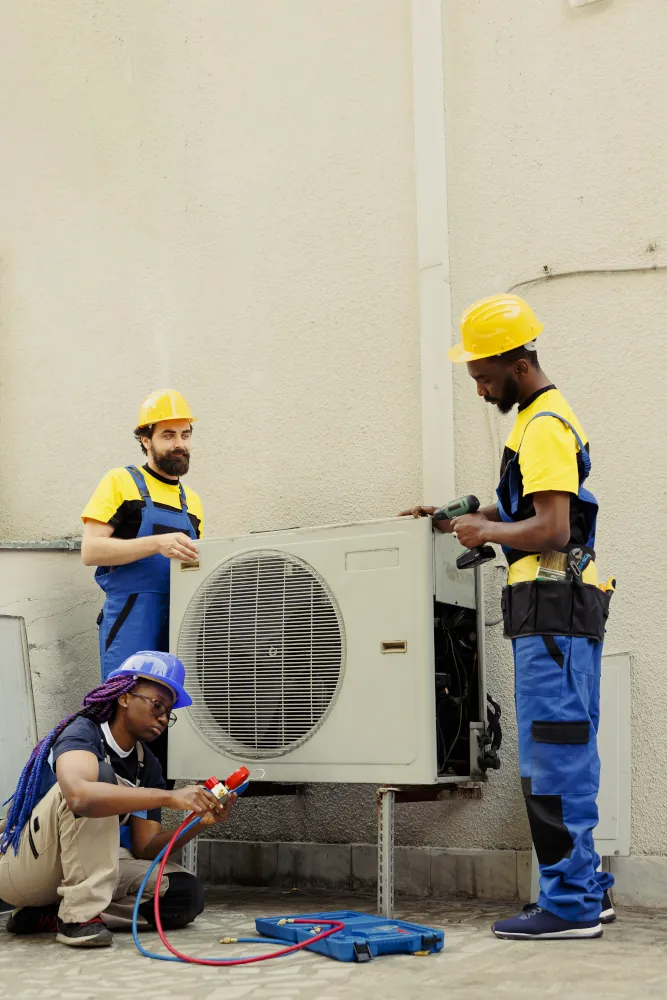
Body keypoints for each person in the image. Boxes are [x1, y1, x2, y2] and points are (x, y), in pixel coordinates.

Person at [402, 294, 615, 940]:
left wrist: (484, 531)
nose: (476, 388)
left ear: (516, 362)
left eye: (481, 374)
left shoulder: (544, 423)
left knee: (554, 759)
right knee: (562, 750)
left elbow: (551, 528)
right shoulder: (532, 419)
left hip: (553, 612)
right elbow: (528, 513)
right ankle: (586, 889)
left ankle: (571, 906)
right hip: (551, 612)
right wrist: (461, 520)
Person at [0, 651, 234, 948]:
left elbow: (146, 848)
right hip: (24, 866)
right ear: (124, 697)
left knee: (182, 893)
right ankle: (77, 917)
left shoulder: (147, 765)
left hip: (82, 863)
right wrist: (170, 798)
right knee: (99, 779)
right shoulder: (82, 731)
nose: (163, 717)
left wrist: (200, 820)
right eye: (157, 705)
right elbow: (80, 796)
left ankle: (47, 914)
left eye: (168, 712)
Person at [81, 389, 203, 783]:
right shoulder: (121, 482)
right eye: (168, 435)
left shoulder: (192, 503)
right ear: (145, 439)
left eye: (185, 434)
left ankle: (147, 834)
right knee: (125, 722)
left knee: (165, 728)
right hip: (132, 618)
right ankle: (115, 837)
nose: (179, 444)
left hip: (179, 621)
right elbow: (91, 550)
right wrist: (156, 543)